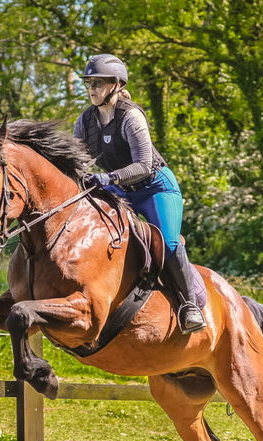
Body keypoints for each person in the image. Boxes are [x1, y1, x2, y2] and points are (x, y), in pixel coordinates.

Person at [73, 54, 207, 334]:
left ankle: (189, 305)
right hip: (120, 189)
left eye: (98, 83)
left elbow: (144, 165)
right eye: (89, 83)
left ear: (116, 85)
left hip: (155, 187)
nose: (92, 89)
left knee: (168, 244)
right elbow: (76, 161)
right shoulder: (85, 121)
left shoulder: (131, 116)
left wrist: (107, 177)